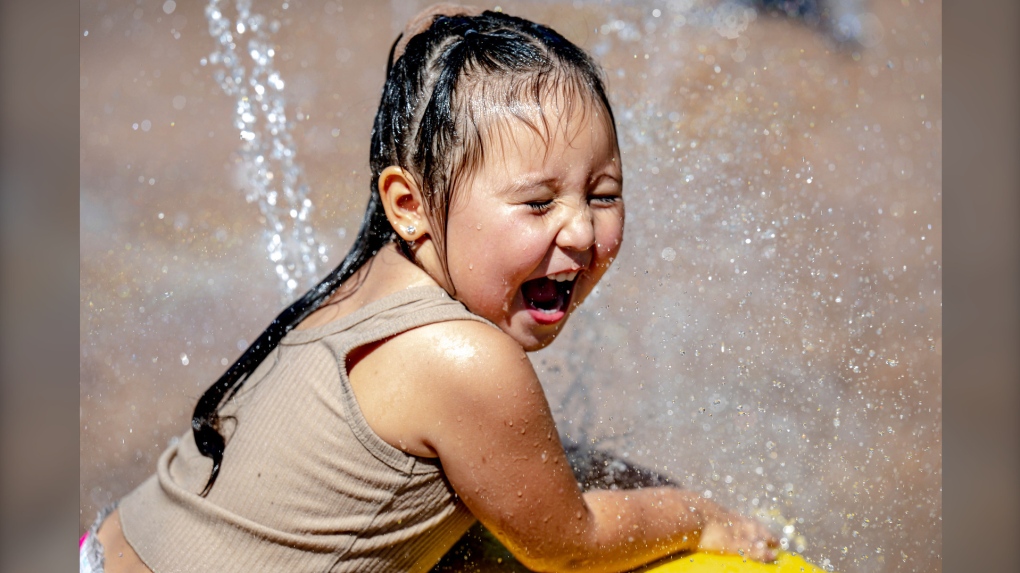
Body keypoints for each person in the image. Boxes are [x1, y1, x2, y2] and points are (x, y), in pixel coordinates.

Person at [82, 5, 779, 572]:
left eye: (603, 194)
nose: (578, 230)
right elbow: (566, 545)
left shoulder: (359, 286)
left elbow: (509, 463)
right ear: (408, 204)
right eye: (538, 203)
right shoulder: (466, 358)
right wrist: (700, 515)